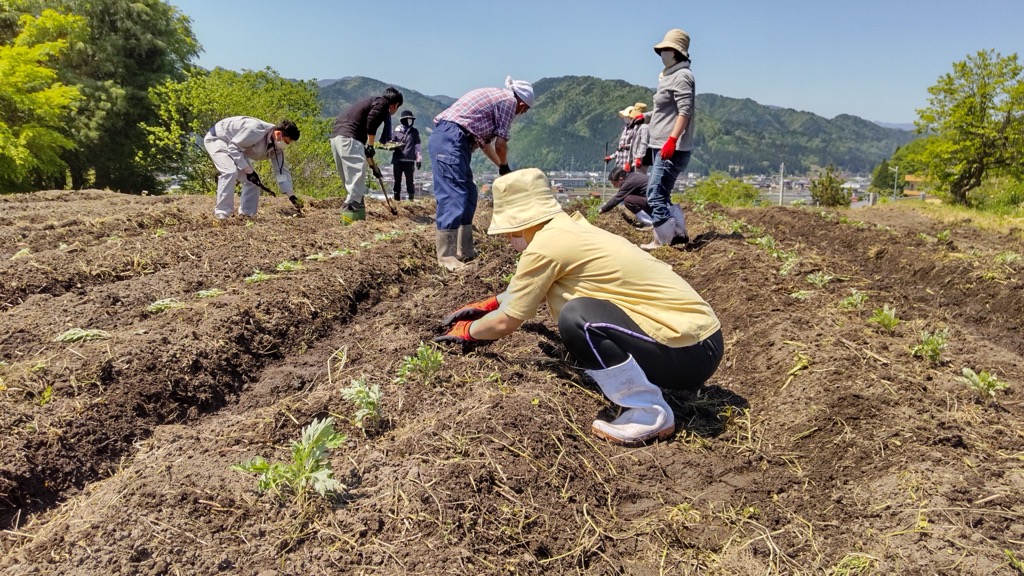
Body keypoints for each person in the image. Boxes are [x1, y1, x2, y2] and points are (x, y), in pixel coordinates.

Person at [434, 169, 724, 446]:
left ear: (524, 222)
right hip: (701, 342)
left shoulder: (546, 246)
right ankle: (636, 376)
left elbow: (506, 323)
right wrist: (492, 303)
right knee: (580, 311)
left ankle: (649, 413)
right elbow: (531, 288)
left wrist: (469, 332)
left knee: (578, 317)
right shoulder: (566, 230)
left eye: (511, 231)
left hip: (689, 354)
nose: (510, 239)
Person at [429, 76, 534, 271]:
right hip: (450, 138)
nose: (521, 113)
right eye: (524, 110)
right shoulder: (508, 101)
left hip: (457, 141)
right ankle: (446, 256)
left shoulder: (495, 100)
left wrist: (502, 168)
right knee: (454, 194)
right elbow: (501, 144)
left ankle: (465, 250)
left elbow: (486, 147)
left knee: (469, 193)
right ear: (521, 102)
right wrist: (505, 166)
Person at [643, 28, 694, 249]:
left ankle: (664, 240)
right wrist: (643, 118)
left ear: (675, 52)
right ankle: (677, 234)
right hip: (659, 143)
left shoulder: (683, 76)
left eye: (665, 49)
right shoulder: (669, 76)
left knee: (654, 194)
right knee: (661, 193)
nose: (661, 53)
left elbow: (685, 111)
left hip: (669, 146)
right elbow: (664, 111)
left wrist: (672, 140)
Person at [203, 116, 303, 220]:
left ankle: (247, 216)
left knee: (254, 182)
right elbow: (233, 147)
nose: (286, 145)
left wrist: (291, 196)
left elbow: (281, 172)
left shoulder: (277, 149)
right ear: (278, 134)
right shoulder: (256, 129)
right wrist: (249, 171)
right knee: (230, 171)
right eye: (286, 141)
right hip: (219, 139)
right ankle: (222, 215)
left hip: (236, 149)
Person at [330, 87, 404, 218]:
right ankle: (349, 223)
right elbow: (372, 120)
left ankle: (359, 219)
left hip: (337, 139)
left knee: (353, 183)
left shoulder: (371, 102)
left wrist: (373, 165)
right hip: (350, 139)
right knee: (355, 184)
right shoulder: (382, 103)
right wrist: (370, 145)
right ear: (395, 105)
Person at [604, 103, 650, 174]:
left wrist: (639, 158)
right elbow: (628, 147)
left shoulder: (643, 127)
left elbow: (643, 144)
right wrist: (612, 157)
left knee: (637, 177)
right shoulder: (628, 128)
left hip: (635, 160)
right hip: (624, 160)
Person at [390, 110, 422, 201]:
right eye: (407, 120)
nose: (409, 121)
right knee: (397, 180)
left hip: (409, 161)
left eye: (410, 120)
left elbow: (417, 145)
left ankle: (411, 199)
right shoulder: (396, 131)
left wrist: (419, 159)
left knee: (410, 181)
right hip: (398, 160)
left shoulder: (414, 132)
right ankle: (397, 199)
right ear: (402, 120)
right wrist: (394, 146)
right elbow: (391, 142)